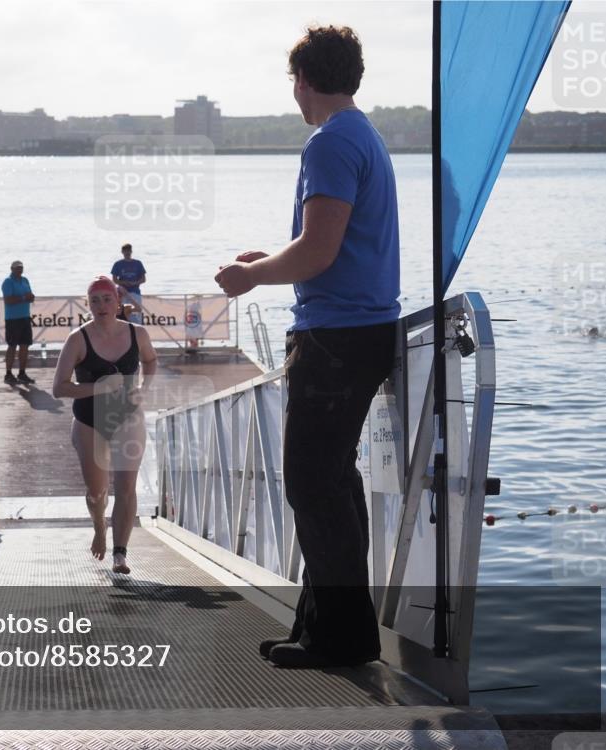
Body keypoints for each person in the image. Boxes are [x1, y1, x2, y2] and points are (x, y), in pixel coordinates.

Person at [214, 25, 400, 669]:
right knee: (333, 482)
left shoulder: (328, 142)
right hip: (364, 330)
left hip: (337, 338)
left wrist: (249, 277)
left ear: (303, 79)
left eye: (292, 81)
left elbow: (318, 252)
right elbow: (333, 245)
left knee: (311, 483)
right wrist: (272, 259)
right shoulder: (363, 134)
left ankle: (344, 639)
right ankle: (326, 627)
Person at [52, 276, 158, 574]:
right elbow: (59, 388)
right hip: (89, 419)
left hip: (128, 417)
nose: (101, 306)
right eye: (95, 300)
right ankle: (99, 525)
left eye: (107, 299)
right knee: (97, 490)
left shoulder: (137, 334)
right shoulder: (78, 339)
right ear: (88, 305)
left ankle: (120, 553)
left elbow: (151, 361)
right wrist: (98, 388)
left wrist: (144, 388)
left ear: (117, 302)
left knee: (126, 487)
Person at [1, 260, 35, 385]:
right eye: (17, 268)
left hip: (25, 317)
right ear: (11, 269)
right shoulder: (8, 282)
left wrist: (30, 297)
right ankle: (8, 373)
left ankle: (22, 373)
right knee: (12, 346)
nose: (19, 270)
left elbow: (29, 295)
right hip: (12, 319)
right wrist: (24, 298)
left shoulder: (25, 280)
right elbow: (8, 300)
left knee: (25, 345)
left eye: (21, 267)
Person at [111, 244, 146, 324]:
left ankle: (137, 332)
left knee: (136, 315)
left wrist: (135, 283)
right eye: (125, 251)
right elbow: (114, 280)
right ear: (122, 252)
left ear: (131, 251)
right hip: (122, 294)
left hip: (135, 293)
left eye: (129, 250)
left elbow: (143, 279)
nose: (127, 252)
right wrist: (123, 283)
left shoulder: (138, 263)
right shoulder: (118, 264)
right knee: (123, 317)